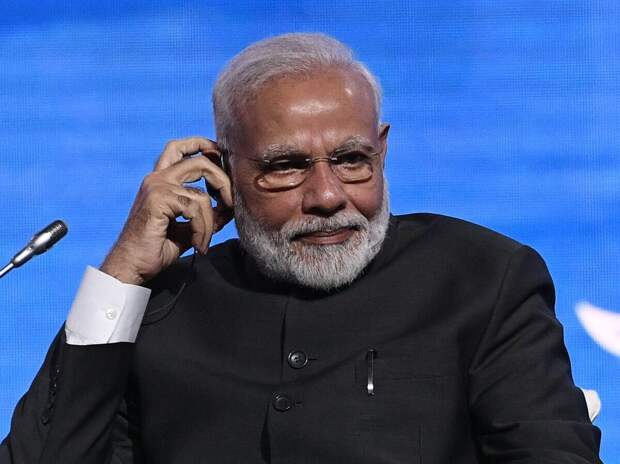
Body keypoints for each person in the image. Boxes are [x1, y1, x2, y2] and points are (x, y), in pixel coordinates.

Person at [0, 33, 602, 463]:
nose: (327, 196)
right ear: (221, 168)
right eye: (285, 167)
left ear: (382, 150)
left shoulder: (482, 277)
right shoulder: (162, 303)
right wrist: (122, 277)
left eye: (352, 159)